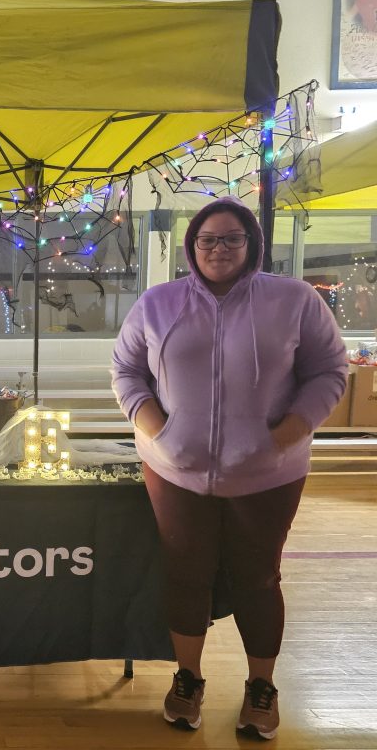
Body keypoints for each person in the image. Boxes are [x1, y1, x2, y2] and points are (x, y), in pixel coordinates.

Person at [111, 197, 347, 740]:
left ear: (252, 243)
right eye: (208, 239)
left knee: (257, 578)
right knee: (185, 572)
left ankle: (261, 687)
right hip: (174, 469)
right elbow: (125, 369)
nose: (219, 248)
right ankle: (188, 678)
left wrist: (286, 435)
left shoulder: (294, 300)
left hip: (268, 472)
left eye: (231, 238)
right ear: (192, 247)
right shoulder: (158, 303)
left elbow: (329, 370)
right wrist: (155, 427)